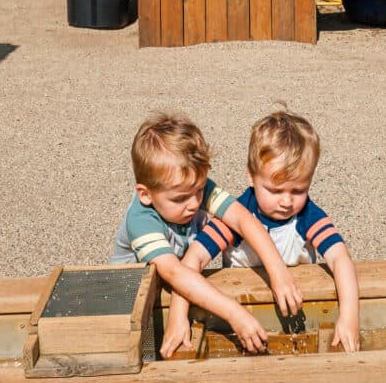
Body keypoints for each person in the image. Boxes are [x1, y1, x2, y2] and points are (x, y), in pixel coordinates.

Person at [110, 111, 302, 359]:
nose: (193, 204)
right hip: (128, 301)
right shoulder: (141, 220)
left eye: (200, 190)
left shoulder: (189, 185)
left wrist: (278, 273)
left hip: (175, 289)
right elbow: (174, 273)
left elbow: (243, 219)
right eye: (180, 198)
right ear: (145, 194)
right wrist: (235, 313)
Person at [179, 110, 360, 353]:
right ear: (251, 177)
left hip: (299, 313)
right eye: (275, 191)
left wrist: (349, 318)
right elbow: (194, 259)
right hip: (242, 317)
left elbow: (340, 258)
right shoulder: (238, 215)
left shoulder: (307, 214)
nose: (287, 201)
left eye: (298, 190)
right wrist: (178, 316)